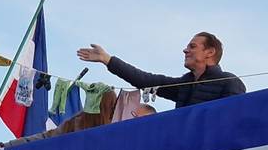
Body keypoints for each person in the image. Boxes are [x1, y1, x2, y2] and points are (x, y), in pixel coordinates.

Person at [76, 32, 246, 108]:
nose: (185, 50)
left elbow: (235, 121)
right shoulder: (183, 85)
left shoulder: (229, 83)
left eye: (192, 46)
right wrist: (108, 60)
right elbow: (144, 80)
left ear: (210, 52)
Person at [0, 90, 118, 150]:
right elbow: (44, 138)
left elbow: (42, 138)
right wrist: (4, 147)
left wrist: (5, 146)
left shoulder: (119, 129)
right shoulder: (75, 124)